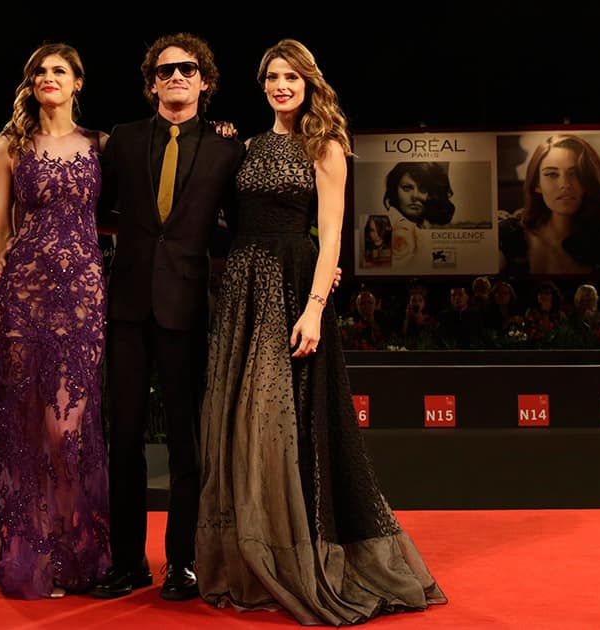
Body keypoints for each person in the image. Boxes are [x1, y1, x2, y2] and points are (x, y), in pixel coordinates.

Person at [195, 39, 446, 625]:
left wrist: (314, 306)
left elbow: (331, 232)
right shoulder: (249, 144)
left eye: (291, 76)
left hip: (291, 285)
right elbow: (225, 216)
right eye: (272, 77)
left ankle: (297, 552)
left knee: (286, 420)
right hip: (243, 285)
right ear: (262, 86)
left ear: (309, 82)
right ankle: (248, 554)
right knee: (240, 418)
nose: (281, 85)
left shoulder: (326, 143)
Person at [89, 32, 245, 602]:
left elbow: (238, 227)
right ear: (152, 82)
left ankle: (183, 563)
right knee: (123, 439)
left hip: (188, 309)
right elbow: (97, 209)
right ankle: (128, 561)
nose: (176, 76)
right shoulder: (123, 141)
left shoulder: (229, 148)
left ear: (205, 81)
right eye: (165, 70)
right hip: (126, 307)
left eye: (188, 69)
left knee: (187, 445)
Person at [0, 42, 110, 600]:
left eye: (59, 70)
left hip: (83, 298)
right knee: (29, 431)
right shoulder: (7, 146)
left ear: (78, 82)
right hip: (24, 297)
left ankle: (73, 552)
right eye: (39, 71)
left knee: (68, 432)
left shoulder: (100, 145)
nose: (47, 77)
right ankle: (33, 559)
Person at [499, 134, 600, 275]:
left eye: (575, 174)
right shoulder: (510, 237)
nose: (565, 185)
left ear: (588, 180)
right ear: (537, 184)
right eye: (552, 174)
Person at [381, 162, 455, 268]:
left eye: (423, 189)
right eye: (407, 188)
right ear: (394, 190)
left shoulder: (432, 227)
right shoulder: (382, 227)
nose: (415, 196)